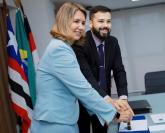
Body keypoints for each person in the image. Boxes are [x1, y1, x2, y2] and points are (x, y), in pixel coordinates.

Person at [31, 2, 133, 133]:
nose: (80, 27)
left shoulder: (64, 47)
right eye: (76, 21)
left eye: (82, 22)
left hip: (65, 120)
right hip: (54, 123)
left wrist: (114, 105)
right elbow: (83, 89)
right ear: (64, 21)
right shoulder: (59, 50)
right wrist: (115, 114)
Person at [72, 5, 133, 133]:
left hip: (105, 99)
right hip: (83, 101)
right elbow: (87, 77)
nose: (105, 25)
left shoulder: (113, 42)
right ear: (91, 23)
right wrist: (110, 102)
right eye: (101, 21)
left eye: (108, 21)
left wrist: (123, 98)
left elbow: (119, 71)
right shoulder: (79, 43)